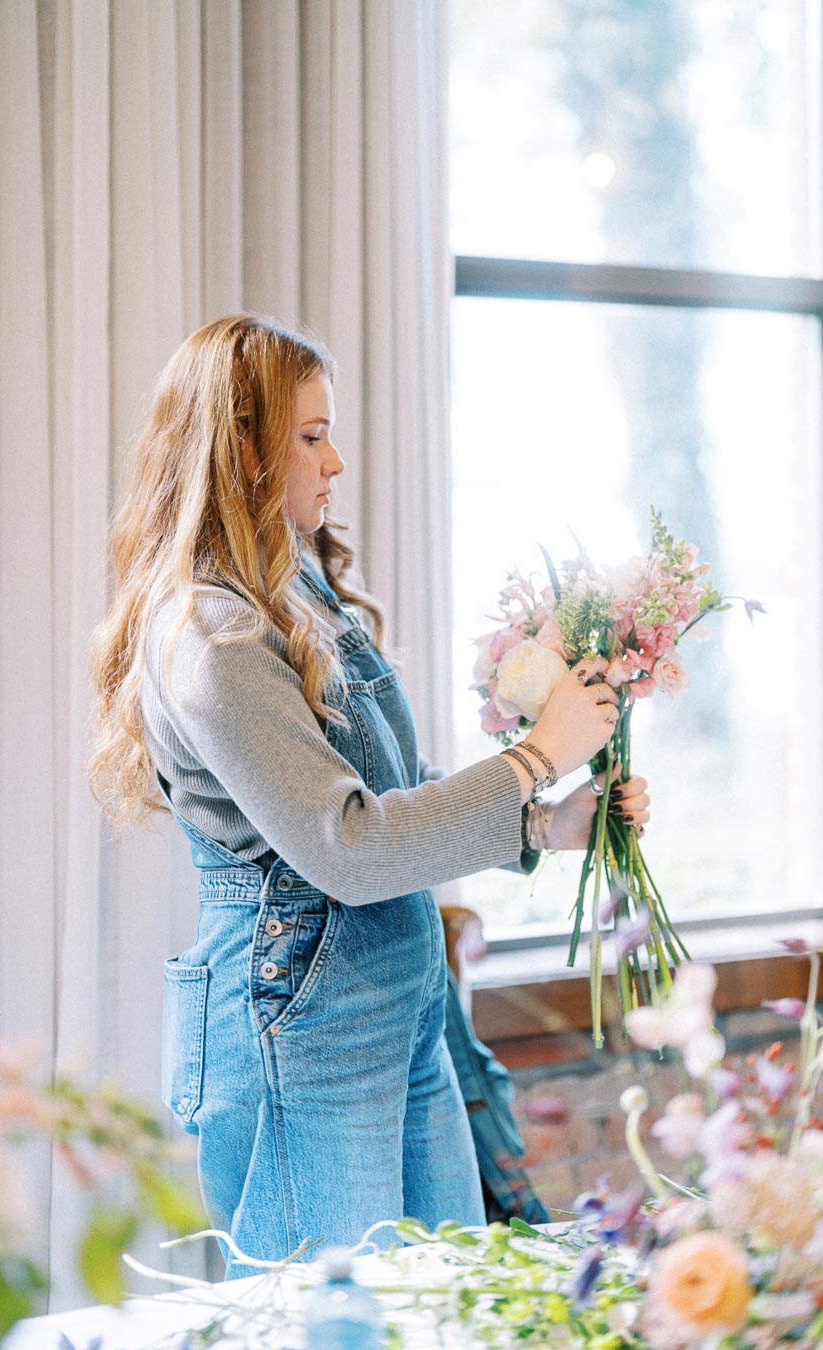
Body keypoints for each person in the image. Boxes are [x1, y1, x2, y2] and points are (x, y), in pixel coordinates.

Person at [89, 314, 650, 1275]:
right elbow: (347, 846)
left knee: (446, 1312)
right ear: (244, 454)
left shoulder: (302, 595)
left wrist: (545, 823)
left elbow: (389, 796)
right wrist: (536, 756)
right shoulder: (209, 635)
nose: (335, 460)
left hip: (397, 1012)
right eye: (311, 436)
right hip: (298, 1035)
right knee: (332, 1329)